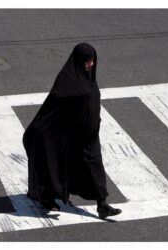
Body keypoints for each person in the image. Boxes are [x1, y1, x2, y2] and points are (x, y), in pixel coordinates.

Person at [22, 42, 122, 219]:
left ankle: (102, 204)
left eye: (92, 61)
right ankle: (47, 198)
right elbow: (52, 109)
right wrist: (38, 130)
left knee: (95, 167)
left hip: (89, 137)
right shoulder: (66, 82)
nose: (91, 65)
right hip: (67, 137)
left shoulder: (89, 78)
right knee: (55, 166)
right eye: (87, 61)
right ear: (78, 61)